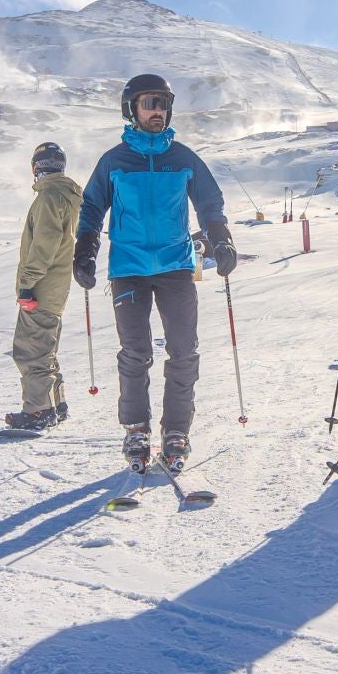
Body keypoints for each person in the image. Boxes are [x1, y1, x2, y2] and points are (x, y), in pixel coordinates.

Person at [74, 74, 235, 474]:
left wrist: (222, 239)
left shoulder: (183, 158)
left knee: (184, 350)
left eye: (163, 103)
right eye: (149, 103)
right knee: (136, 353)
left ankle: (177, 432)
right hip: (128, 269)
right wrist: (85, 249)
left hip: (177, 266)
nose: (157, 110)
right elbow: (92, 207)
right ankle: (137, 430)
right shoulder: (114, 161)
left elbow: (210, 203)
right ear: (132, 108)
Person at [6, 142, 81, 432]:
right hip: (55, 286)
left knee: (30, 350)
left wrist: (27, 284)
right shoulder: (66, 195)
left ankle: (39, 411)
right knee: (44, 349)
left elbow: (44, 245)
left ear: (37, 168)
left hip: (42, 287)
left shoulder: (49, 196)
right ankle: (55, 404)